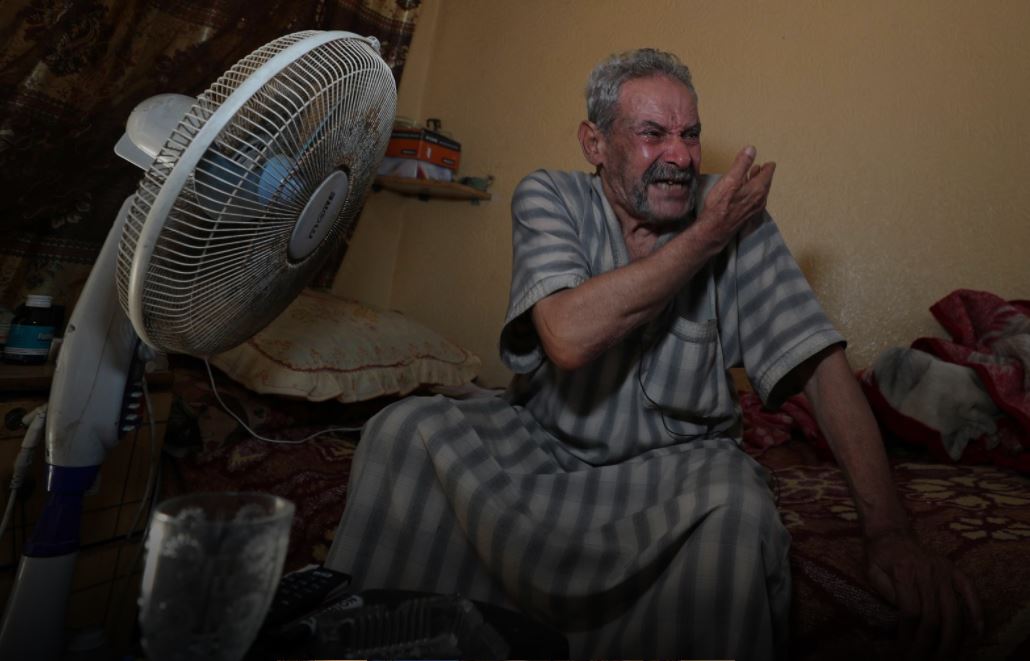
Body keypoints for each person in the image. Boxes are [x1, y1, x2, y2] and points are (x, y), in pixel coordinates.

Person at [326, 48, 982, 660]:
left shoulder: (734, 215)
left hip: (676, 471)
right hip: (543, 450)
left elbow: (817, 364)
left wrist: (889, 533)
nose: (679, 155)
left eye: (690, 134)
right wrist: (704, 237)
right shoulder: (552, 197)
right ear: (595, 143)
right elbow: (566, 335)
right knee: (405, 431)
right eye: (652, 134)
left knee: (736, 513)